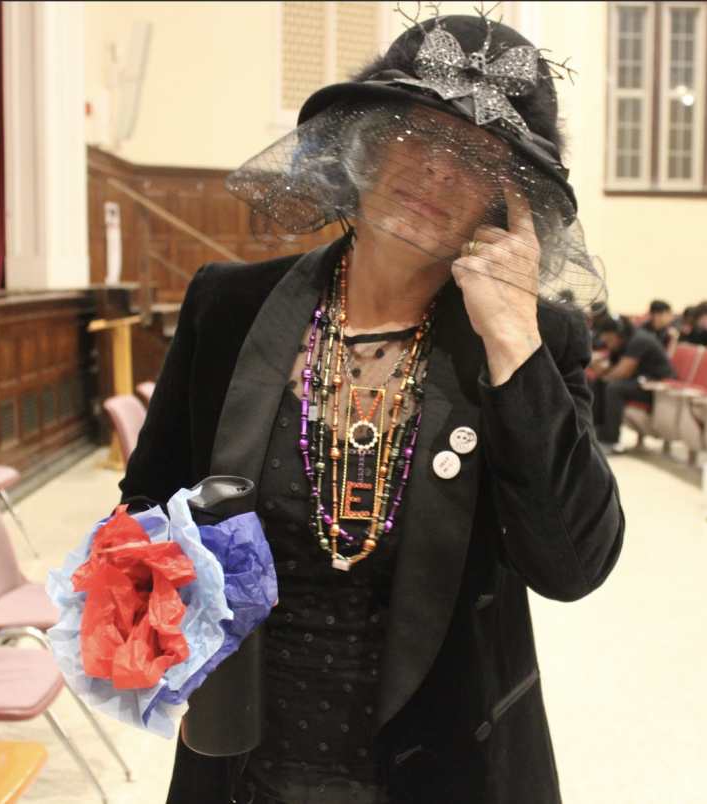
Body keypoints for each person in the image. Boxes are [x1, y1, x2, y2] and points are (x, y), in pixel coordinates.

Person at [116, 14, 625, 804]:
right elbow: (147, 502)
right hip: (243, 755)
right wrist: (154, 608)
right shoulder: (229, 307)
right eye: (419, 134)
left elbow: (572, 567)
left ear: (508, 201)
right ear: (367, 142)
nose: (437, 172)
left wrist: (511, 342)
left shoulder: (534, 339)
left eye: (477, 159)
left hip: (442, 767)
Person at [591, 314, 676, 454]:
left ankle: (612, 441)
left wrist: (601, 371)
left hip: (658, 386)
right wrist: (592, 364)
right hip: (640, 382)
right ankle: (599, 435)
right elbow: (608, 369)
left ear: (620, 334)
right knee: (599, 383)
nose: (608, 344)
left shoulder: (639, 340)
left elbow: (621, 373)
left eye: (610, 339)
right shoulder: (621, 343)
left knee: (614, 388)